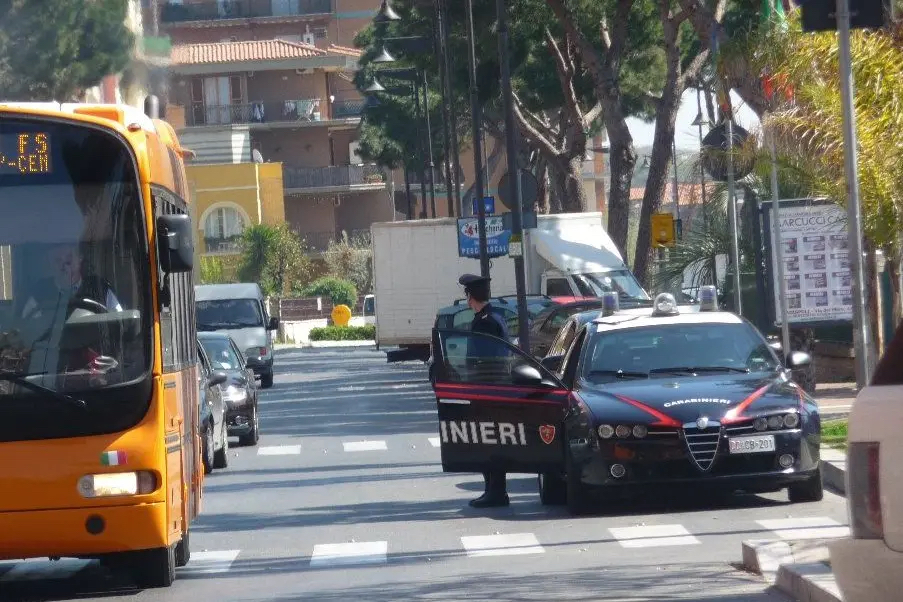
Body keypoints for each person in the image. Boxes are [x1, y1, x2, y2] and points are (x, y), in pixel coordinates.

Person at [458, 273, 511, 508]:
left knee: (488, 440)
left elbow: (485, 360)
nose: (467, 301)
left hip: (488, 389)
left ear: (471, 296)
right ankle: (493, 489)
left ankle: (496, 491)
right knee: (489, 439)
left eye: (468, 295)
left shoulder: (486, 322)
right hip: (495, 388)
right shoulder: (494, 317)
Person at [21, 243, 122, 319]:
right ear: (50, 264)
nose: (65, 266)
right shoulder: (39, 294)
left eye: (69, 259)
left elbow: (120, 322)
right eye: (58, 260)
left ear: (80, 258)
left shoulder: (101, 289)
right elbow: (29, 331)